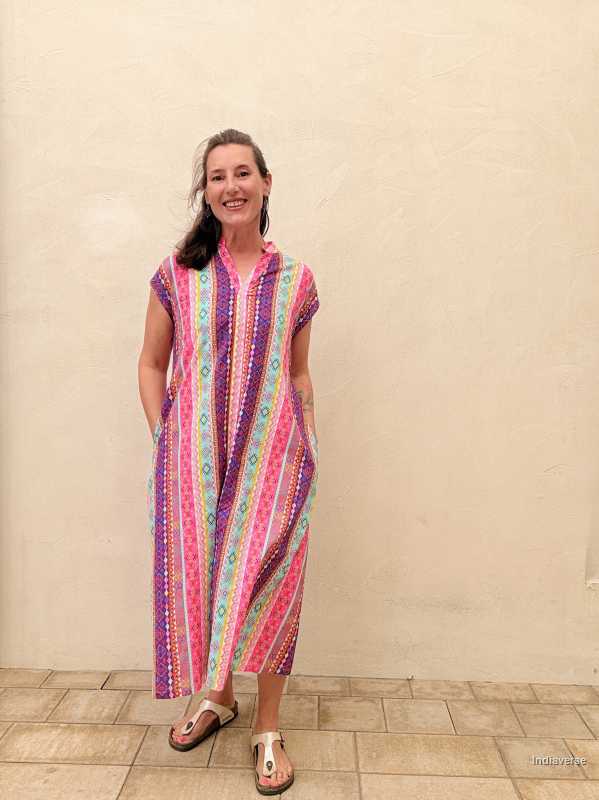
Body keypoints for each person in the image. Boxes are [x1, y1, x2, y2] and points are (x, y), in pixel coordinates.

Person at [138, 128, 320, 795]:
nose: (231, 186)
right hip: (197, 469)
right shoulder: (177, 275)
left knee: (271, 587)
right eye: (217, 176)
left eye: (243, 173)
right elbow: (151, 362)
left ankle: (266, 726)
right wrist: (168, 442)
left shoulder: (296, 279)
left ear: (265, 184)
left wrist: (308, 450)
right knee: (209, 582)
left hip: (276, 466)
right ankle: (216, 696)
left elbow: (298, 376)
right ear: (205, 191)